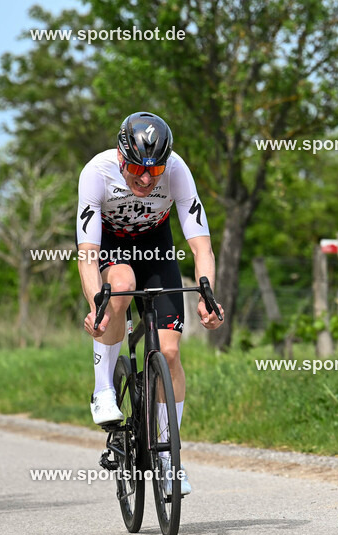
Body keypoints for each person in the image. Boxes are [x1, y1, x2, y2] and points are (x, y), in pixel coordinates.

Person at [76, 111, 223, 496]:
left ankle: (167, 457)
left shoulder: (177, 171)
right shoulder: (96, 172)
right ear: (121, 158)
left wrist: (208, 294)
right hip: (112, 248)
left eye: (154, 171)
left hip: (157, 250)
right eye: (136, 169)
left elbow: (201, 245)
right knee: (120, 285)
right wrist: (97, 305)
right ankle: (103, 388)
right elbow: (87, 252)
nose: (145, 179)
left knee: (170, 352)